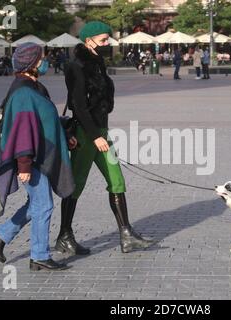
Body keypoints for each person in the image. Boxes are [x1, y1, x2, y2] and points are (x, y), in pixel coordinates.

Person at [55, 21, 155, 255]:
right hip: (85, 133)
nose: (107, 42)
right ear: (88, 39)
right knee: (76, 184)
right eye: (103, 39)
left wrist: (101, 133)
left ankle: (127, 235)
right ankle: (64, 235)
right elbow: (79, 105)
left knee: (117, 180)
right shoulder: (75, 65)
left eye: (107, 38)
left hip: (101, 131)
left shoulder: (98, 61)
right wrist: (93, 136)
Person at [0, 42, 77, 271]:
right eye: (42, 58)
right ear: (32, 62)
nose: (45, 62)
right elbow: (24, 132)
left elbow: (44, 121)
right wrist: (24, 165)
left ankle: (1, 234)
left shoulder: (35, 87)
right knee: (44, 205)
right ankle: (38, 255)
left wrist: (65, 136)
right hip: (30, 158)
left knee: (36, 204)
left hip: (39, 154)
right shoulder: (23, 93)